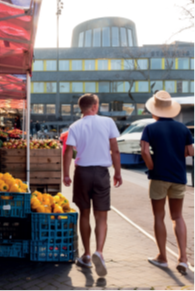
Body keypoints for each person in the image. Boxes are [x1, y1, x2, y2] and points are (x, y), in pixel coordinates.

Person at [63, 93, 122, 277]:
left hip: (82, 173)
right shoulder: (108, 122)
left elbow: (68, 151)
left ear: (82, 108)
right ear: (95, 106)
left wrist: (65, 174)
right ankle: (100, 252)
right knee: (101, 216)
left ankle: (87, 255)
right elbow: (115, 150)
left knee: (84, 213)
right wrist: (118, 172)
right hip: (102, 173)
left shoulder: (75, 126)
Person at [140, 91, 194, 274]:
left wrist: (152, 166)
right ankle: (184, 259)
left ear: (155, 110)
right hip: (178, 177)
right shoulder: (183, 128)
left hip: (158, 177)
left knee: (158, 216)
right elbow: (191, 151)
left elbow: (145, 151)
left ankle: (162, 257)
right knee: (177, 216)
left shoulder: (150, 128)